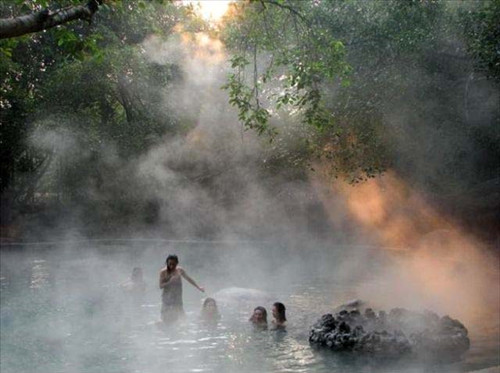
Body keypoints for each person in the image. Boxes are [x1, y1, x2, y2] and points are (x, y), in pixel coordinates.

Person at [159, 254, 205, 324]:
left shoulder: (179, 270)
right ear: (167, 263)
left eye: (173, 264)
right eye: (169, 264)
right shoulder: (163, 272)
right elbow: (161, 286)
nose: (171, 266)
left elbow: (188, 279)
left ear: (177, 263)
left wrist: (198, 287)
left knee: (181, 315)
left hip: (177, 296)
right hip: (167, 297)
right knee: (165, 316)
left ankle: (184, 329)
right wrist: (170, 282)